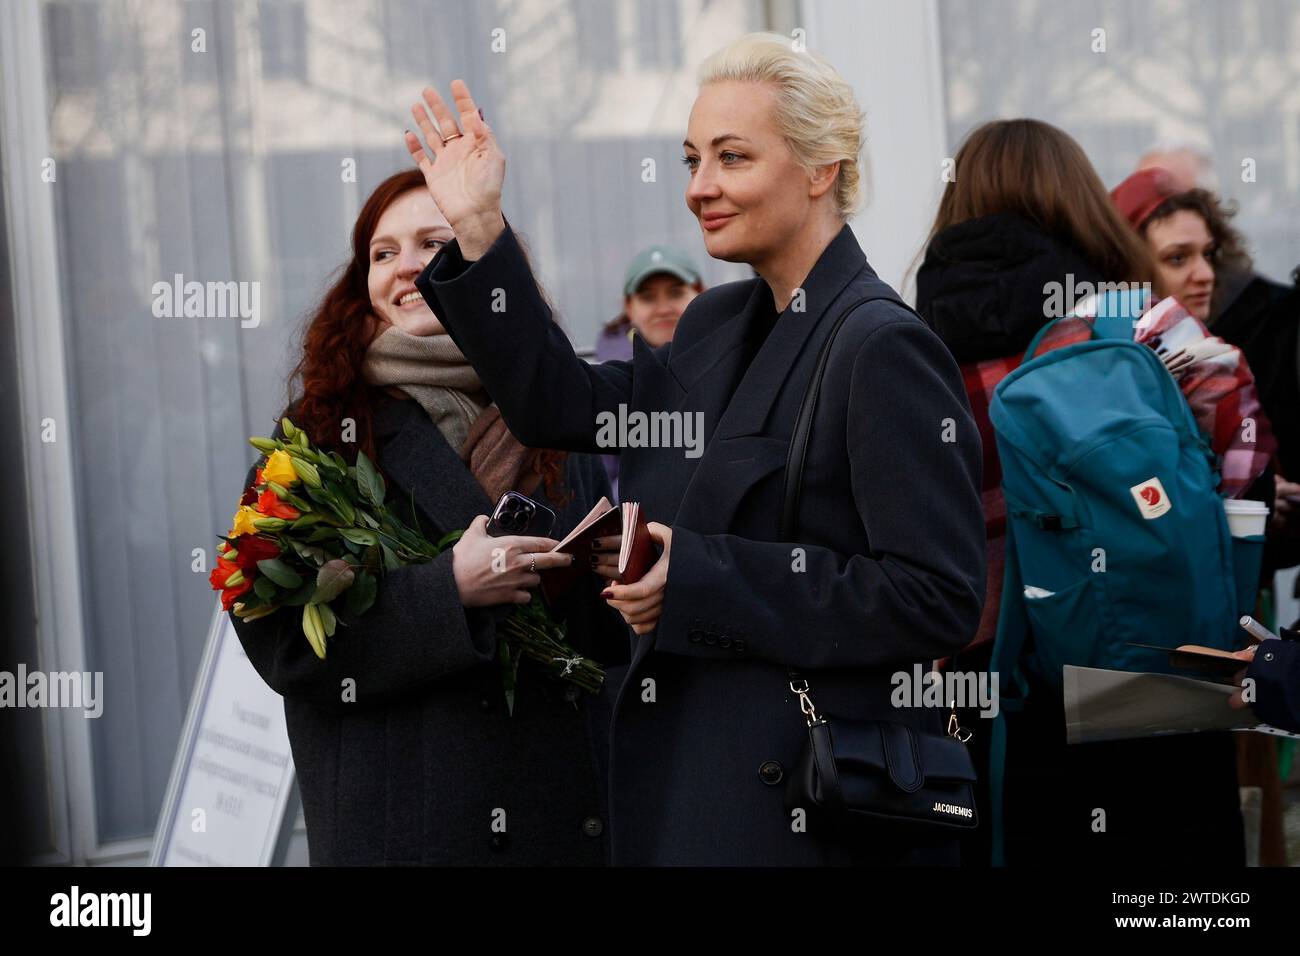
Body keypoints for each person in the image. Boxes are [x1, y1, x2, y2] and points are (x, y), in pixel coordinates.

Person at [404, 33, 986, 865]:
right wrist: (479, 230)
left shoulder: (880, 346)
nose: (699, 188)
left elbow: (937, 596)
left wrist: (703, 581)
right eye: (691, 160)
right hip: (687, 786)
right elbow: (557, 401)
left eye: (732, 158)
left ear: (821, 169)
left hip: (808, 816)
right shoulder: (717, 322)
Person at [227, 169, 628, 865]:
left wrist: (622, 577)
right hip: (408, 832)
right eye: (383, 253)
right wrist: (450, 592)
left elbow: (592, 649)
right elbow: (281, 638)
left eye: (432, 243)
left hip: (556, 824)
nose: (405, 266)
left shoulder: (555, 416)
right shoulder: (317, 438)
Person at [915, 119, 1250, 867]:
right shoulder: (1128, 322)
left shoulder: (913, 344)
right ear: (1077, 202)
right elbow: (1233, 409)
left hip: (987, 684)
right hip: (1151, 663)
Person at [595, 245, 704, 498]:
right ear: (629, 307)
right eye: (647, 297)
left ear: (700, 295)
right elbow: (600, 487)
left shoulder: (735, 363)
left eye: (676, 293)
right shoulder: (602, 385)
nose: (663, 308)